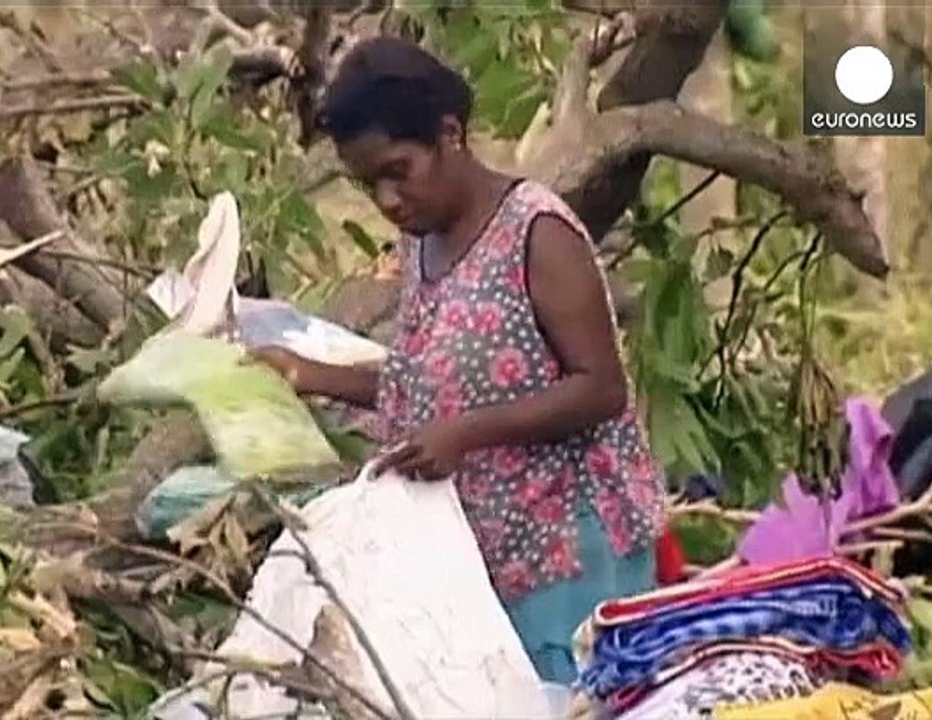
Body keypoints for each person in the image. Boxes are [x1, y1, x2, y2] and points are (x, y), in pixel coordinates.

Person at [248, 36, 665, 685]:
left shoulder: (536, 232)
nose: (386, 199)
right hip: (485, 554)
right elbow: (432, 385)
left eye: (398, 171)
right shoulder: (423, 245)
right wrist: (303, 374)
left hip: (567, 556)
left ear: (450, 134)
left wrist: (464, 435)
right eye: (367, 185)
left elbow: (601, 388)